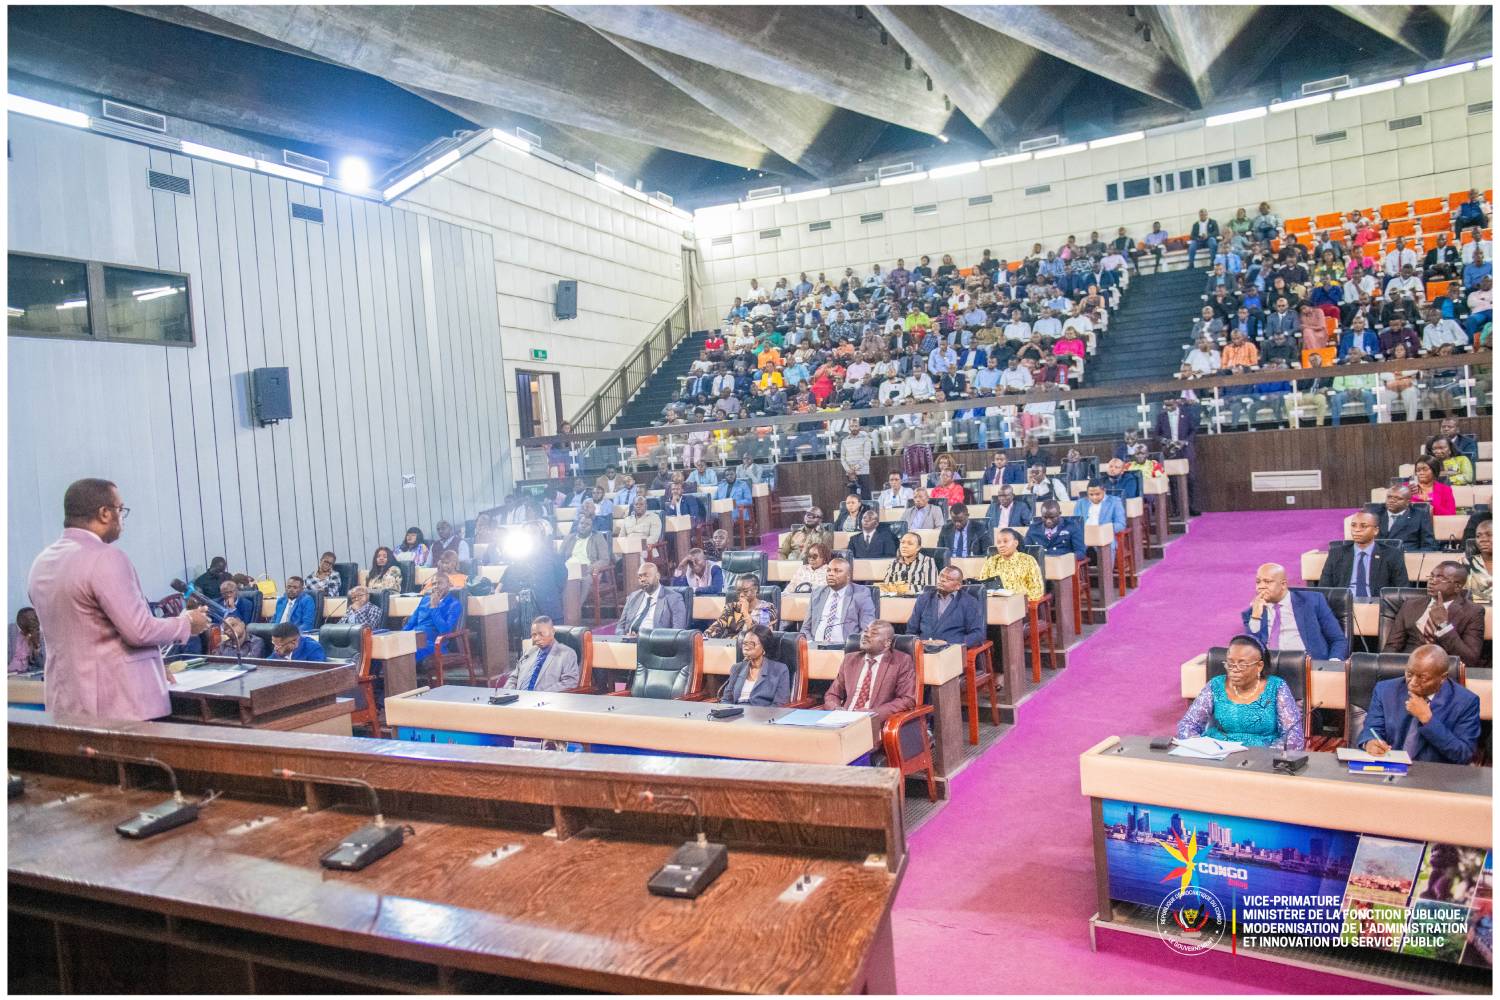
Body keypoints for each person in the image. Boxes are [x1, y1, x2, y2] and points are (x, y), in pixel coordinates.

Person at [1176, 635, 1305, 749]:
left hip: (1260, 757)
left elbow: (1293, 737)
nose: (1234, 670)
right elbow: (1188, 724)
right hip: (1218, 754)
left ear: (1259, 666)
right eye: (1230, 663)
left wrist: (1269, 758)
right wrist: (1200, 748)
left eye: (1242, 665)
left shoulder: (1276, 687)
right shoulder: (1215, 685)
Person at [1358, 644, 1481, 764]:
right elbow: (1372, 728)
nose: (1412, 682)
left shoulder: (1466, 702)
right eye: (1409, 674)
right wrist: (1370, 741)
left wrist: (1428, 720)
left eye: (1422, 678)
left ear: (1442, 678)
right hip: (1390, 767)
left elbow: (1464, 754)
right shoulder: (1385, 690)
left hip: (1435, 776)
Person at [1382, 562, 1485, 672]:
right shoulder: (1410, 605)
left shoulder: (1473, 612)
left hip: (1442, 669)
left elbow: (1470, 659)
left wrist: (1444, 626)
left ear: (1457, 587)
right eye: (1431, 576)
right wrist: (1385, 669)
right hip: (1407, 666)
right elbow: (1393, 646)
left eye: (1440, 578)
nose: (1432, 581)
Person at [824, 620, 916, 733]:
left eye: (874, 633)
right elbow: (832, 694)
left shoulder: (901, 661)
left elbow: (907, 699)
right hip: (842, 721)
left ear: (887, 643)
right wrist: (836, 709)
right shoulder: (850, 659)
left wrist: (873, 713)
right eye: (866, 631)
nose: (866, 635)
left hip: (873, 724)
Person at [1241, 563, 1349, 660]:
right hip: (1270, 669)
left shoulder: (1312, 602)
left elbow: (1338, 640)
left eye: (1267, 582)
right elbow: (1251, 650)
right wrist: (1255, 617)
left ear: (1283, 584)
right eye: (1258, 582)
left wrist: (1332, 665)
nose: (1261, 586)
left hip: (1308, 666)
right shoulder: (1253, 612)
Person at [1317, 513, 1410, 598]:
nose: (1357, 530)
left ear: (1375, 530)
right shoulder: (1336, 553)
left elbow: (1402, 589)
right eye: (1353, 525)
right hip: (1343, 605)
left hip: (1378, 605)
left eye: (1363, 526)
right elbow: (1324, 589)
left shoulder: (1392, 554)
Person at [801, 558, 877, 644]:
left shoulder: (861, 593)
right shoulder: (817, 593)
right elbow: (805, 628)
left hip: (845, 648)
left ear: (848, 576)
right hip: (815, 647)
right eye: (829, 570)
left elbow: (867, 629)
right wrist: (810, 644)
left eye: (837, 571)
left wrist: (852, 647)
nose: (831, 574)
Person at [909, 567, 985, 649]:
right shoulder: (923, 598)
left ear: (958, 586)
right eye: (941, 576)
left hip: (951, 650)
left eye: (948, 579)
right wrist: (916, 645)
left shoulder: (969, 602)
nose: (942, 580)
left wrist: (948, 642)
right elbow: (911, 631)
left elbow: (977, 635)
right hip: (922, 650)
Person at [502, 616, 581, 692]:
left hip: (545, 701)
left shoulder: (567, 654)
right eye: (534, 635)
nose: (537, 638)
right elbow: (513, 677)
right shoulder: (529, 652)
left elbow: (570, 682)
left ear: (553, 632)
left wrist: (541, 695)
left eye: (541, 634)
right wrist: (511, 693)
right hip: (518, 700)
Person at [719, 625, 791, 707]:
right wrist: (726, 712)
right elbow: (726, 699)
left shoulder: (779, 670)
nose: (746, 647)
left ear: (764, 647)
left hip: (762, 715)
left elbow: (780, 704)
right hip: (735, 714)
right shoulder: (737, 668)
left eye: (751, 644)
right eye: (745, 643)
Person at [403, 570, 462, 664]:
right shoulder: (425, 600)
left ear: (448, 585)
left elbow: (445, 630)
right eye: (434, 583)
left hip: (433, 644)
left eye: (440, 583)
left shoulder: (454, 604)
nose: (436, 586)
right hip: (414, 638)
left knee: (407, 654)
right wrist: (400, 637)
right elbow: (411, 623)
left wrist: (434, 607)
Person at [617, 563, 688, 636]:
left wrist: (646, 639)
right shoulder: (633, 597)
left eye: (646, 576)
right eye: (640, 577)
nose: (642, 579)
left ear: (657, 576)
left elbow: (678, 632)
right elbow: (620, 627)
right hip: (629, 642)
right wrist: (624, 635)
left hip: (654, 643)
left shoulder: (673, 598)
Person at [977, 528, 1044, 600]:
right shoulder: (991, 561)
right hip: (994, 605)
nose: (1001, 545)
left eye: (1005, 541)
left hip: (1020, 605)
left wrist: (1018, 600)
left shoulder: (1027, 560)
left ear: (1016, 543)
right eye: (999, 542)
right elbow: (982, 587)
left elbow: (1037, 591)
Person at [705, 574, 776, 637]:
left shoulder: (767, 608)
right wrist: (703, 637)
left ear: (756, 589)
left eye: (745, 591)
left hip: (750, 647)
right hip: (730, 645)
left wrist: (745, 613)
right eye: (738, 592)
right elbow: (717, 626)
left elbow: (761, 636)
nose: (741, 595)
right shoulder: (731, 607)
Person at [1377, 485, 1439, 549]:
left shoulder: (1420, 516)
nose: (1392, 500)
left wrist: (1416, 557)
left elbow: (1429, 544)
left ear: (1407, 502)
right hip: (1378, 556)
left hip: (1406, 555)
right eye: (1389, 497)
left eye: (1398, 498)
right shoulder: (1376, 514)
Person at [8, 607, 45, 674]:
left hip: (25, 675)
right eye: (32, 619)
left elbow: (42, 664)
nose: (35, 622)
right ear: (21, 620)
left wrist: (37, 645)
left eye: (36, 618)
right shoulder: (9, 631)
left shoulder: (37, 634)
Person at [1465, 517, 1492, 604]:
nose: (1482, 539)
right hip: (1474, 613)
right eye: (1478, 536)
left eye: (1489, 534)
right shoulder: (1465, 564)